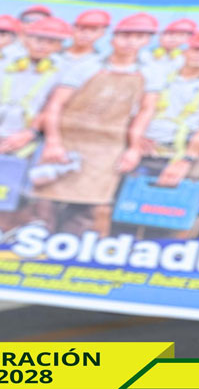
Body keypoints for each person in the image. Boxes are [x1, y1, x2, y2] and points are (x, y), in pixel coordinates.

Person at [33, 13, 158, 234]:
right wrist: (53, 142)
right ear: (113, 38)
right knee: (44, 204)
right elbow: (56, 104)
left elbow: (145, 111)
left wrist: (133, 149)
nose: (130, 42)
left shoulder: (149, 73)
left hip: (107, 151)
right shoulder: (86, 66)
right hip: (67, 144)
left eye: (139, 37)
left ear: (147, 41)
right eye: (125, 36)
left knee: (87, 210)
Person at [118, 27, 199, 187]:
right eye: (196, 49)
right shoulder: (160, 71)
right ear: (185, 49)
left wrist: (186, 160)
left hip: (181, 152)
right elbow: (144, 109)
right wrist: (135, 145)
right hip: (142, 147)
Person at [0, 16, 71, 156]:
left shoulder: (63, 73)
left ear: (59, 47)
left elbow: (52, 107)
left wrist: (29, 133)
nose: (42, 46)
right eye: (38, 39)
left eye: (51, 42)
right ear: (26, 39)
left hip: (24, 141)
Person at [57, 9, 110, 74]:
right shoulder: (52, 54)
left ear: (102, 33)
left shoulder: (102, 64)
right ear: (72, 28)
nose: (86, 33)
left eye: (93, 30)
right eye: (82, 28)